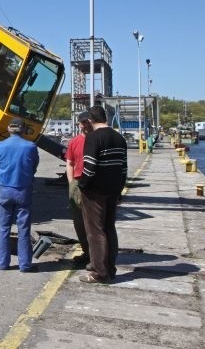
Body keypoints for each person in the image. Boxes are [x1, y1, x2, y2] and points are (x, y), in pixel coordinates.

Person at [77, 105, 128, 284]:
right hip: (113, 191)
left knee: (95, 232)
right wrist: (119, 190)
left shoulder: (93, 138)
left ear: (90, 120)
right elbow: (123, 169)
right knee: (109, 228)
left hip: (95, 192)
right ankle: (110, 268)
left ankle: (100, 272)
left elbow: (89, 168)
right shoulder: (120, 138)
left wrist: (82, 185)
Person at [0, 117, 40, 272]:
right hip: (23, 190)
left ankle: (3, 263)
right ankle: (25, 265)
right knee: (23, 229)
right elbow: (34, 166)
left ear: (9, 129)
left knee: (3, 228)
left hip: (4, 190)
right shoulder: (30, 146)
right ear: (23, 130)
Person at [65, 111, 93, 265]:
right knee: (78, 220)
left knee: (94, 220)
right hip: (77, 182)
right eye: (82, 122)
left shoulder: (97, 139)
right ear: (79, 124)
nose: (85, 125)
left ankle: (97, 253)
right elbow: (69, 163)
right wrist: (71, 183)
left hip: (94, 183)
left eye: (87, 122)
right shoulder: (74, 142)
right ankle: (86, 251)